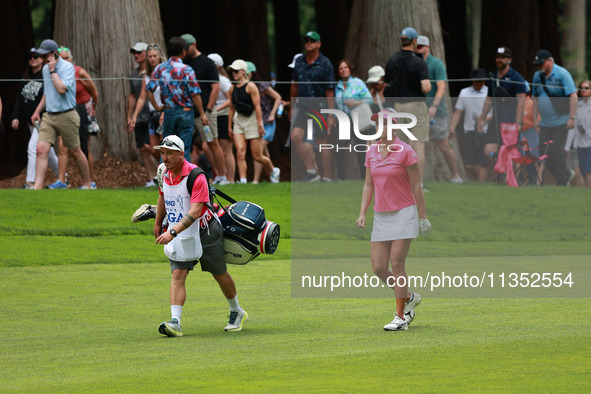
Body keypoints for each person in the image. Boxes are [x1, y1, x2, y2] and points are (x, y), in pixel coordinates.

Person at [153, 135, 247, 336]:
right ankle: (175, 322)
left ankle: (236, 311)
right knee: (178, 273)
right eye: (162, 153)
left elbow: (196, 211)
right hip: (178, 232)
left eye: (169, 153)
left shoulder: (197, 176)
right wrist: (158, 222)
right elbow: (163, 195)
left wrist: (171, 231)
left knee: (219, 273)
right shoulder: (163, 172)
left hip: (206, 232)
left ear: (180, 154)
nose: (165, 157)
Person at [356, 107, 431, 331]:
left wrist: (423, 217)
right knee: (379, 268)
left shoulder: (406, 151)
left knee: (397, 264)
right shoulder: (371, 151)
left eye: (386, 123)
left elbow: (417, 186)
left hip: (404, 213)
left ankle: (401, 316)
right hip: (381, 215)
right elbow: (368, 185)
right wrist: (362, 213)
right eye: (379, 124)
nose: (381, 128)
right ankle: (408, 296)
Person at [31, 39, 92, 189]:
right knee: (41, 149)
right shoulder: (45, 69)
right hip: (49, 116)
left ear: (53, 54)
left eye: (45, 55)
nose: (42, 58)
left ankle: (87, 183)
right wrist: (37, 111)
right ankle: (37, 187)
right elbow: (47, 93)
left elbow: (61, 89)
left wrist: (53, 70)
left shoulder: (67, 68)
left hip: (67, 115)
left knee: (75, 151)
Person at [146, 36, 209, 162]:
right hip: (185, 111)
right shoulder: (187, 69)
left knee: (166, 147)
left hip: (169, 111)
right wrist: (202, 114)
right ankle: (183, 179)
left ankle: (164, 178)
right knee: (183, 147)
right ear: (183, 51)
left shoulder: (160, 68)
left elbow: (149, 90)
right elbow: (195, 94)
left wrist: (158, 107)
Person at [384, 27, 431, 189]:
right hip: (416, 106)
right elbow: (426, 87)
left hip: (398, 107)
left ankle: (402, 183)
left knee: (400, 146)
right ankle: (418, 184)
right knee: (418, 144)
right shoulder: (419, 62)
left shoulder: (392, 61)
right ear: (415, 41)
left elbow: (386, 85)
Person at [181, 34, 228, 185]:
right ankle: (213, 175)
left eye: (186, 47)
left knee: (212, 142)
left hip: (206, 111)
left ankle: (223, 176)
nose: (185, 50)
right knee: (193, 144)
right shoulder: (183, 63)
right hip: (188, 110)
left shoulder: (207, 62)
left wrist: (207, 111)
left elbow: (215, 87)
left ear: (194, 44)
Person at [290, 31, 336, 182]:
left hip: (321, 107)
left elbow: (330, 91)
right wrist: (291, 107)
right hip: (303, 108)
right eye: (306, 40)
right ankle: (312, 170)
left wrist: (330, 114)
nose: (308, 42)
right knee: (295, 137)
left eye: (312, 40)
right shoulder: (299, 62)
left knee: (322, 142)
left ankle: (327, 177)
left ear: (318, 44)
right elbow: (294, 86)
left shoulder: (325, 63)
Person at [415, 35, 462, 183]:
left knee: (443, 146)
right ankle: (418, 180)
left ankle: (455, 175)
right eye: (416, 46)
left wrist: (434, 106)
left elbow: (441, 87)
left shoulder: (436, 64)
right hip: (418, 111)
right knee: (416, 144)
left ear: (427, 47)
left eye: (421, 47)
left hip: (437, 112)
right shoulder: (413, 63)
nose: (418, 49)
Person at [11, 47, 59, 189]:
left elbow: (49, 96)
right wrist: (15, 116)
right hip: (29, 122)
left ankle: (30, 182)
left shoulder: (45, 75)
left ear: (42, 59)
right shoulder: (25, 76)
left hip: (43, 120)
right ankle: (64, 178)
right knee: (48, 153)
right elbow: (19, 98)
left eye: (36, 56)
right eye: (30, 57)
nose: (33, 59)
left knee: (33, 148)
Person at [227, 59, 280, 184]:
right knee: (240, 152)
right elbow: (231, 108)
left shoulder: (251, 86)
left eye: (236, 71)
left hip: (252, 120)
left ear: (243, 72)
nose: (233, 74)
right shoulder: (232, 88)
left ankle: (273, 170)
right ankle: (243, 180)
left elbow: (257, 107)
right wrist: (230, 126)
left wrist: (260, 124)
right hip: (239, 120)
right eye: (232, 71)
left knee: (257, 155)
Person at [531, 49, 577, 186]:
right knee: (543, 152)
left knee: (556, 149)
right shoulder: (537, 76)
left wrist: (572, 118)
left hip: (561, 121)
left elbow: (573, 96)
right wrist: (535, 120)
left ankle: (562, 183)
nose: (539, 67)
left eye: (541, 64)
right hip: (545, 123)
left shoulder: (562, 74)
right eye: (537, 64)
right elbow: (535, 99)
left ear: (549, 61)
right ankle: (566, 174)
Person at [477, 47, 526, 165]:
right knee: (488, 151)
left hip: (510, 122)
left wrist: (518, 123)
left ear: (509, 59)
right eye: (498, 57)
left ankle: (510, 177)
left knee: (511, 153)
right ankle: (503, 173)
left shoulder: (516, 77)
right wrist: (482, 119)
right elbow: (488, 100)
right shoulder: (492, 77)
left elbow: (521, 101)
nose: (499, 60)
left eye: (503, 57)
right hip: (495, 121)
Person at [57, 47, 98, 188]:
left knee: (84, 146)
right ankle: (61, 181)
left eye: (66, 57)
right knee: (62, 147)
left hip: (82, 111)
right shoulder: (55, 73)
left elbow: (94, 92)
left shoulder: (79, 71)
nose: (64, 60)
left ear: (71, 59)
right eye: (61, 58)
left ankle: (90, 181)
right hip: (65, 111)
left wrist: (91, 110)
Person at [130, 43, 167, 186]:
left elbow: (167, 94)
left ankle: (165, 177)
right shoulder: (147, 74)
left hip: (164, 112)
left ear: (160, 57)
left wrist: (164, 110)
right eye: (150, 56)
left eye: (155, 56)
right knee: (153, 149)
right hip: (153, 114)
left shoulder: (164, 72)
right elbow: (141, 97)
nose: (152, 59)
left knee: (164, 146)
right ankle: (160, 173)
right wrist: (134, 115)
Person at [449, 68, 492, 182]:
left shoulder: (489, 92)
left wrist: (484, 119)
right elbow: (458, 112)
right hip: (469, 131)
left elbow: (494, 114)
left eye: (481, 81)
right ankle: (479, 181)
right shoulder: (464, 92)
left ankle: (481, 188)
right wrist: (452, 128)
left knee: (482, 163)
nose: (478, 83)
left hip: (485, 131)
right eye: (476, 80)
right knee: (469, 165)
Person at [335, 59, 372, 180]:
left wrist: (355, 102)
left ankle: (363, 179)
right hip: (343, 122)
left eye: (345, 67)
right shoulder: (337, 85)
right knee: (339, 148)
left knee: (360, 149)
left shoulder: (358, 83)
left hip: (357, 120)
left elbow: (370, 100)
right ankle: (342, 178)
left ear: (350, 69)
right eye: (341, 68)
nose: (343, 70)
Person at [248, 62, 283, 184]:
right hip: (257, 124)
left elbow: (278, 97)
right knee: (263, 152)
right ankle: (273, 176)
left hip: (267, 122)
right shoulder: (243, 87)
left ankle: (256, 180)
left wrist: (273, 114)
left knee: (258, 150)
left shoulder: (261, 86)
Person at [208, 53, 236, 183]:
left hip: (224, 116)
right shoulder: (210, 78)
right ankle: (221, 175)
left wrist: (216, 110)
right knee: (209, 145)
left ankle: (230, 179)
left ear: (217, 65)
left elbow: (231, 99)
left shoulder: (223, 80)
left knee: (226, 150)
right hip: (215, 116)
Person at [566, 80, 591, 187]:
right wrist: (567, 146)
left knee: (588, 170)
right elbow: (573, 128)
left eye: (586, 88)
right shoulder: (577, 106)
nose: (584, 90)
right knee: (582, 169)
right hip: (580, 144)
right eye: (582, 88)